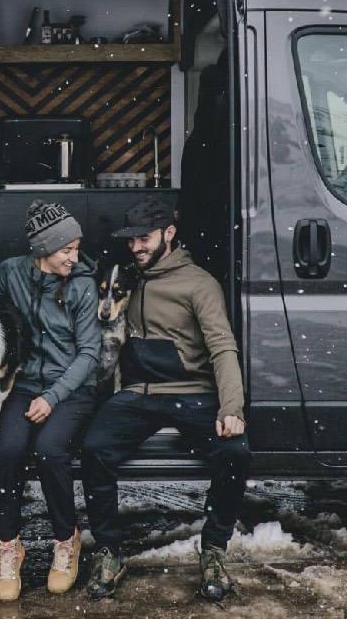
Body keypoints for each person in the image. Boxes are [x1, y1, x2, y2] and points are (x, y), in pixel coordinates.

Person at [80, 195, 250, 603]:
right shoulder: (128, 278)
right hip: (139, 394)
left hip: (193, 393)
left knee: (236, 452)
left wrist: (231, 408)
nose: (137, 246)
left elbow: (223, 346)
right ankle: (108, 552)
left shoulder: (199, 283)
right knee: (94, 448)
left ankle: (213, 550)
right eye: (131, 240)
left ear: (169, 234)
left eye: (145, 238)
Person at [0, 200, 100, 601]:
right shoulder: (11, 272)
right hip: (25, 384)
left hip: (72, 388)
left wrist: (53, 395)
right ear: (44, 248)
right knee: (9, 451)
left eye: (77, 249)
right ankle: (9, 546)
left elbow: (90, 353)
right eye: (67, 250)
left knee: (49, 451)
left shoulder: (81, 285)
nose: (74, 258)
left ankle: (66, 540)